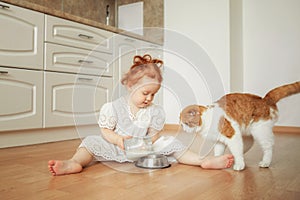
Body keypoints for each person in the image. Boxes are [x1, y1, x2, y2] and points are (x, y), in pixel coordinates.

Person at [48, 54, 234, 176]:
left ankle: (202, 160)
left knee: (172, 142)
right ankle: (73, 163)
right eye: (145, 93)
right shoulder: (112, 107)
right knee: (90, 142)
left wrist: (151, 142)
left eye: (153, 94)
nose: (149, 98)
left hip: (143, 150)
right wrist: (118, 139)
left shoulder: (154, 111)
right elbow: (105, 130)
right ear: (130, 86)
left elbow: (154, 135)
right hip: (116, 147)